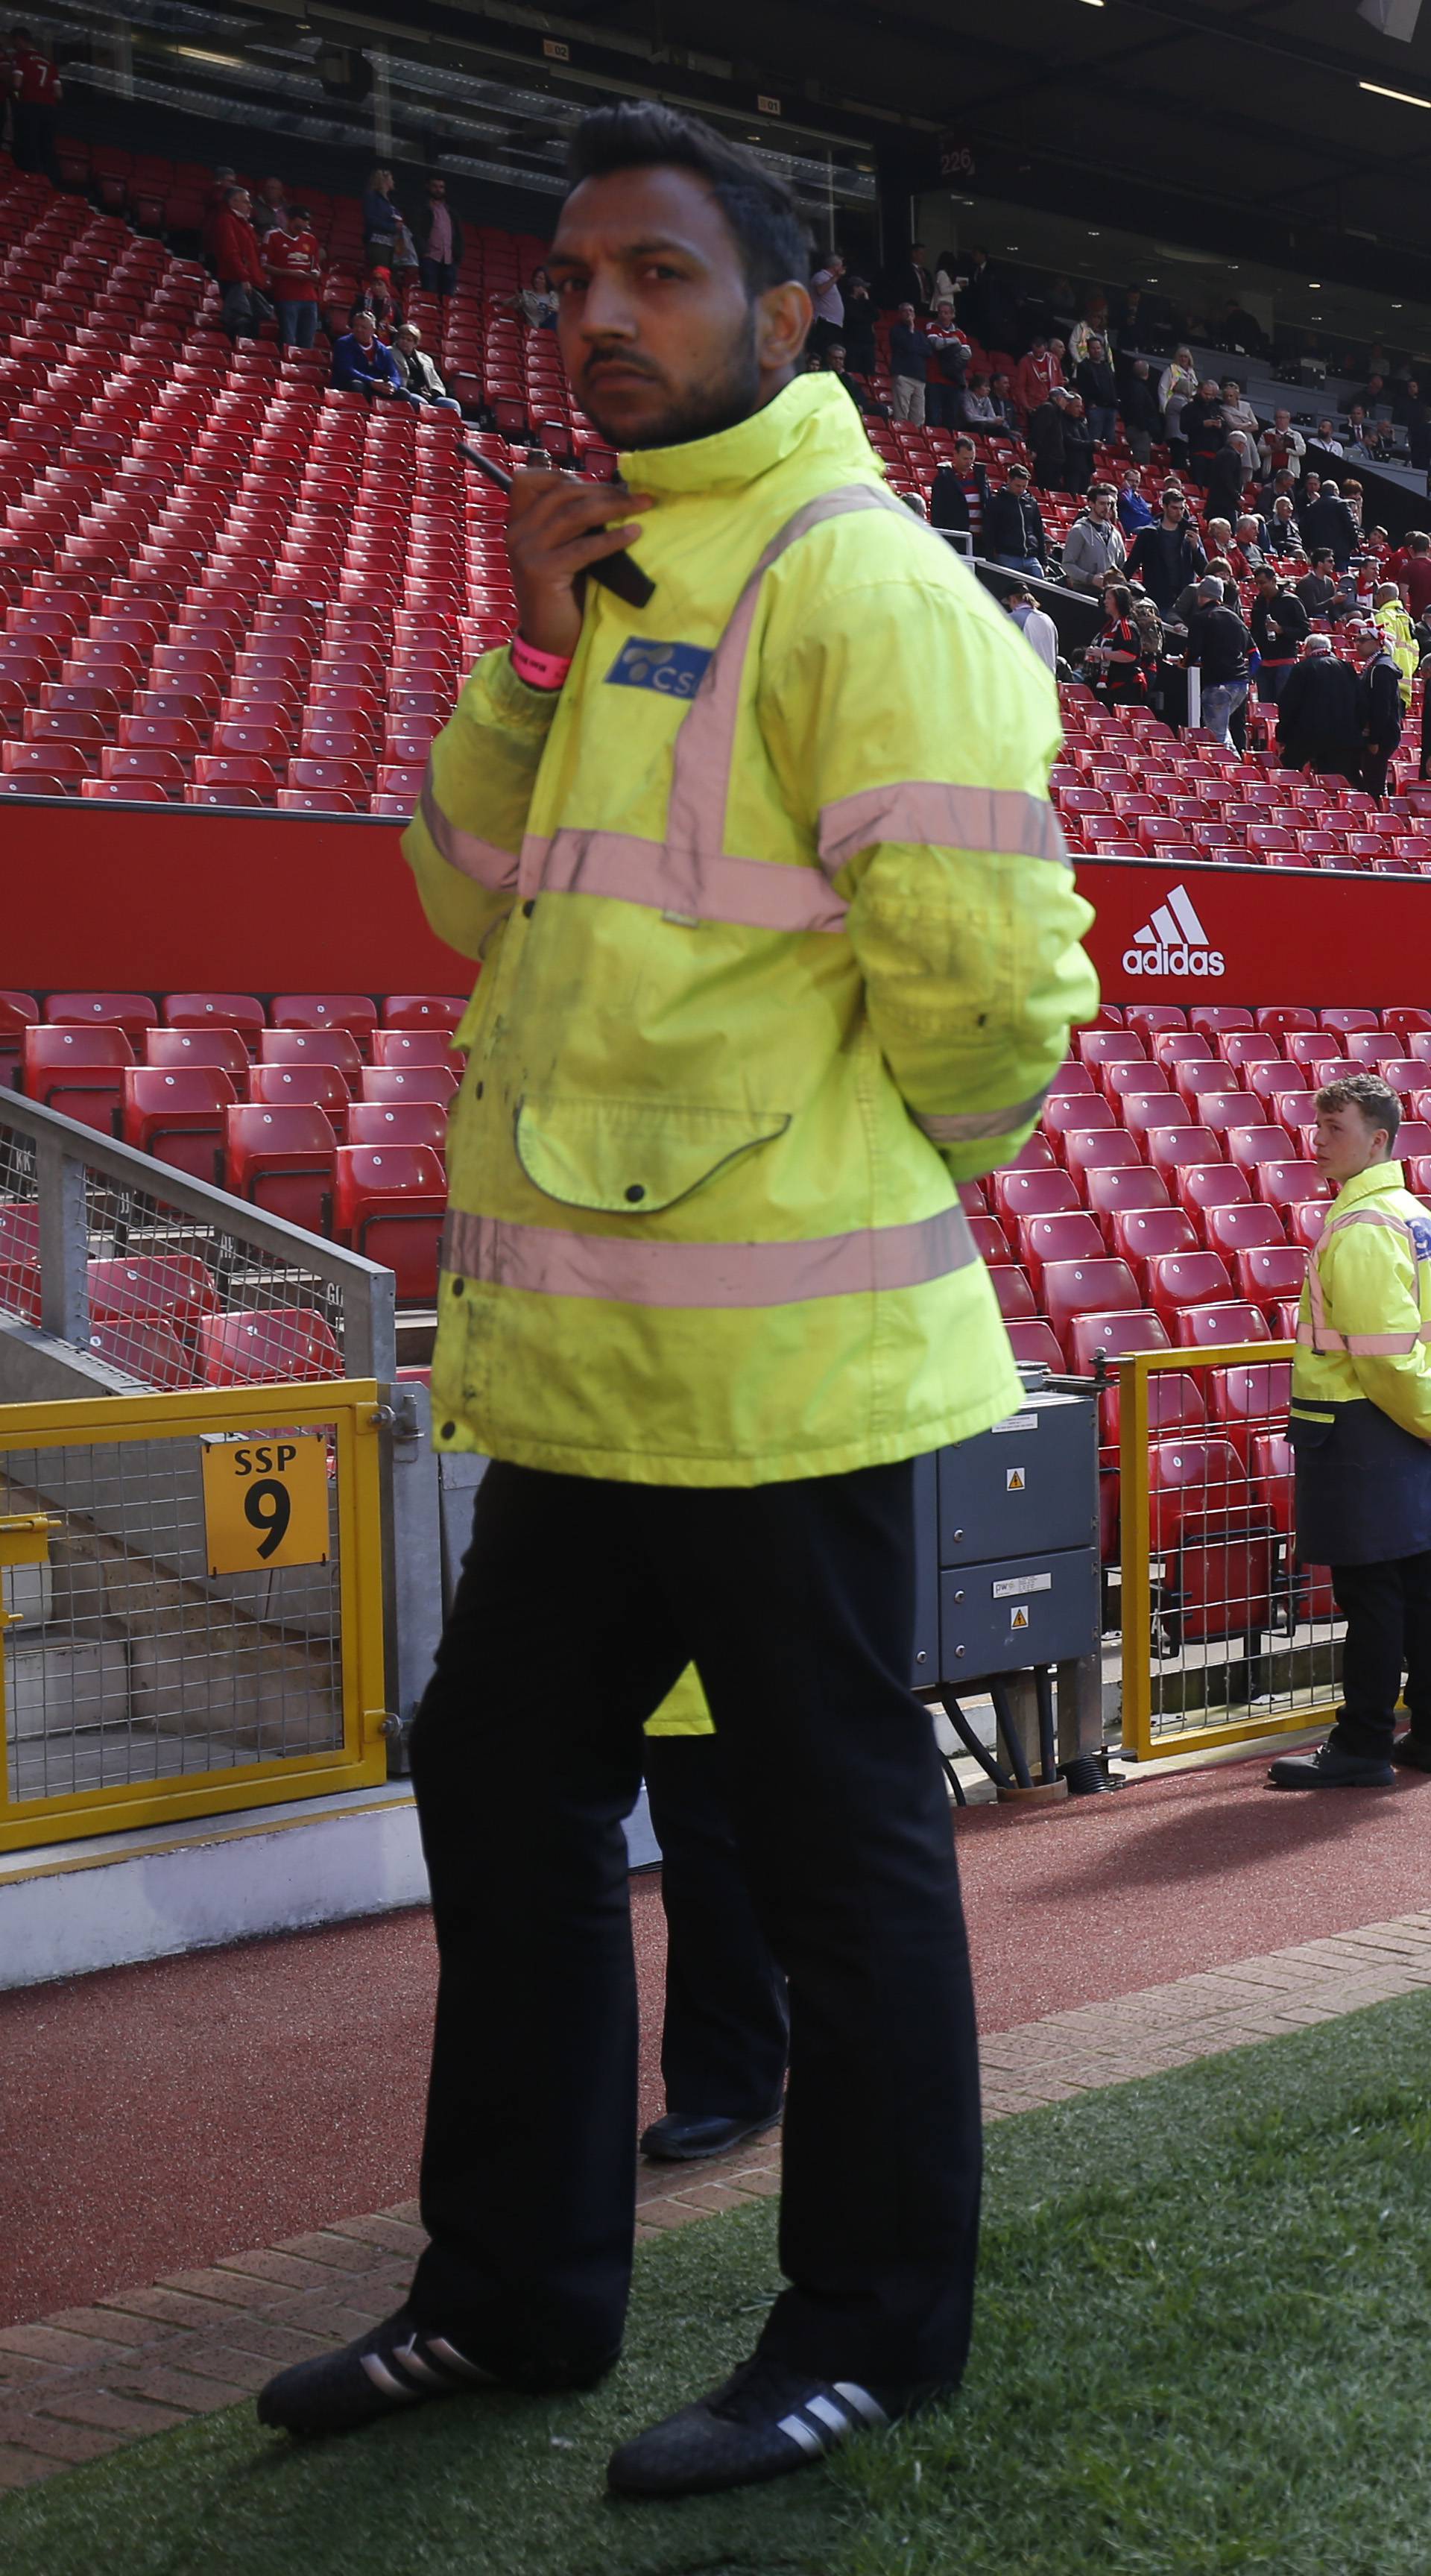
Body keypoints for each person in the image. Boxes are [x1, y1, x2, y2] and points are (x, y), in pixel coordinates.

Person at [253, 96, 1097, 2498]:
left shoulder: (860, 585)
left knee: (838, 1858)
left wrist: (883, 1160)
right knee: (503, 1777)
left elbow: (1002, 997)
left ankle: (866, 2333)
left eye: (658, 276)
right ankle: (514, 2297)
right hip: (592, 1384)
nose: (601, 320)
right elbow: (460, 896)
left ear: (789, 317)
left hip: (787, 1380)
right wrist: (525, 655)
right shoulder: (613, 575)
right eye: (572, 286)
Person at [1270, 1075, 1431, 1791]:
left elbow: (1386, 1361)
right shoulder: (1409, 1212)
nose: (1319, 1141)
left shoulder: (1363, 1229)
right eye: (1317, 1126)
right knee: (1419, 1591)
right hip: (1398, 1434)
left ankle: (1362, 1744)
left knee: (1372, 1598)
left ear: (1379, 1140)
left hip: (1367, 1435)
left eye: (1335, 1129)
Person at [641, 1673, 787, 2163]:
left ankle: (735, 2086)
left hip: (713, 1677)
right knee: (702, 1884)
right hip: (659, 1679)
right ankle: (731, 2081)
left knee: (716, 1885)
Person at [1276, 632, 1364, 779]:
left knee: (1289, 772)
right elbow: (1360, 702)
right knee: (1334, 780)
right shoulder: (1347, 668)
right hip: (1343, 736)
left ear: (1308, 648)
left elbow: (1289, 704)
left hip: (1307, 734)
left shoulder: (1302, 668)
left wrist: (1282, 735)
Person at [1182, 572, 1251, 746]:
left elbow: (1193, 651)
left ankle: (1234, 768)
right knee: (1222, 729)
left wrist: (1183, 663)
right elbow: (1253, 652)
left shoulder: (1201, 618)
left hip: (1218, 684)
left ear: (1201, 594)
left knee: (1218, 737)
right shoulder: (1236, 618)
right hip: (1241, 685)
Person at [1126, 487, 1207, 615]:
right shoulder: (1149, 534)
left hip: (1183, 602)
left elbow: (1203, 571)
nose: (1179, 512)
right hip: (1157, 598)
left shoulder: (1190, 534)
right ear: (1164, 507)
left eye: (1181, 508)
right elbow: (1132, 564)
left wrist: (1196, 549)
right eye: (1174, 508)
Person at [209, 185, 268, 343]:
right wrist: (243, 277)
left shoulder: (244, 224)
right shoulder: (227, 220)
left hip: (248, 281)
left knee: (250, 326)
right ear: (233, 202)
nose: (250, 206)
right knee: (239, 323)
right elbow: (231, 252)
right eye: (245, 202)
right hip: (236, 281)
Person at [1356, 619, 1403, 800]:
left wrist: (1374, 739)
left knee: (1373, 784)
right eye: (1356, 640)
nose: (1357, 644)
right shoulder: (1375, 666)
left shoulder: (1380, 669)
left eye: (1363, 640)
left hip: (1380, 737)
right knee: (1374, 780)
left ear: (1377, 643)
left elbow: (1381, 707)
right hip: (1381, 735)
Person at [1248, 564, 1309, 704]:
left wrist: (1282, 630)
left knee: (1285, 705)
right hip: (1263, 663)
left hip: (1285, 662)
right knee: (1265, 707)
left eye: (1263, 583)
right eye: (1257, 583)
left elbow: (1305, 632)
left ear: (1273, 580)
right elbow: (1254, 630)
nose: (1260, 587)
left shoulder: (1291, 601)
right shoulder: (1259, 603)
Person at [265, 203, 320, 350]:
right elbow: (264, 266)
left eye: (304, 228)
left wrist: (314, 274)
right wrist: (290, 273)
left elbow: (316, 267)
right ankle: (287, 369)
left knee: (307, 343)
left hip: (309, 298)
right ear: (289, 221)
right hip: (286, 296)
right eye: (297, 227)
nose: (300, 231)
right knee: (288, 340)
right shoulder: (273, 236)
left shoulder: (311, 240)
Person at [1087, 580, 1151, 705]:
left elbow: (1129, 655)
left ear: (1118, 601)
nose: (1105, 602)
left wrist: (1102, 654)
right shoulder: (1110, 625)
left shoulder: (1126, 626)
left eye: (1109, 598)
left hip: (1123, 687)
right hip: (1107, 685)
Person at [9, 25, 60, 174]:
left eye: (14, 42)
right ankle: (49, 181)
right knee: (46, 145)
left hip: (29, 105)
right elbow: (59, 93)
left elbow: (17, 84)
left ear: (19, 39)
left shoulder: (21, 58)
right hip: (50, 109)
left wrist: (15, 94)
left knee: (27, 143)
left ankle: (28, 178)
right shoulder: (50, 63)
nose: (13, 46)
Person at [1061, 482, 1127, 594]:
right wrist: (1090, 578)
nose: (1106, 508)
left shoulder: (1115, 533)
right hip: (1083, 592)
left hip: (1109, 595)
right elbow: (1067, 564)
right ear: (1091, 504)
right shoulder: (1079, 531)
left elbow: (1122, 564)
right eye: (1102, 504)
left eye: (1109, 504)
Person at [984, 461, 1046, 574]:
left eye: (1024, 486)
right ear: (1009, 480)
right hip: (1007, 557)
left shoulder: (1031, 501)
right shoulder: (997, 501)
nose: (1021, 490)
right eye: (1018, 486)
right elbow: (989, 531)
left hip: (1031, 557)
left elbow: (1039, 531)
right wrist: (990, 558)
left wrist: (1044, 560)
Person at [929, 433, 990, 547]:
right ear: (955, 454)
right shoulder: (944, 479)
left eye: (972, 458)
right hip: (956, 540)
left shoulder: (981, 477)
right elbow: (937, 512)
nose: (969, 462)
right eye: (965, 458)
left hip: (980, 541)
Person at [331, 308, 405, 399]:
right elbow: (346, 370)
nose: (359, 330)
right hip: (354, 383)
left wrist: (393, 385)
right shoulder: (343, 344)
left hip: (377, 386)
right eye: (356, 326)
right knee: (356, 386)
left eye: (363, 327)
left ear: (373, 330)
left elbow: (393, 373)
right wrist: (371, 382)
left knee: (403, 393)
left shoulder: (382, 349)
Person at [391, 323, 462, 414]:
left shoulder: (425, 359)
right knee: (422, 403)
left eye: (409, 340)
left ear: (415, 344)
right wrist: (418, 391)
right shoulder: (389, 353)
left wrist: (433, 393)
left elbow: (436, 382)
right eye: (402, 338)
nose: (405, 342)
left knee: (453, 405)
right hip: (407, 392)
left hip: (429, 395)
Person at [415, 176, 464, 298]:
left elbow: (458, 235)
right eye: (435, 186)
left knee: (448, 297)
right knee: (429, 295)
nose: (438, 190)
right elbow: (417, 231)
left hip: (449, 260)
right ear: (428, 187)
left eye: (441, 187)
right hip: (430, 258)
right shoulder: (422, 208)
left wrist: (457, 255)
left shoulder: (451, 212)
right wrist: (423, 251)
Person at [1374, 581, 1418, 710]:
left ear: (1381, 595)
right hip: (1405, 684)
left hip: (1389, 682)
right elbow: (1416, 650)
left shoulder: (1383, 617)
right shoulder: (1407, 618)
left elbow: (1386, 646)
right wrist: (1408, 670)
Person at [824, 341, 889, 423]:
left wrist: (861, 406)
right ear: (829, 358)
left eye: (841, 359)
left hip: (853, 407)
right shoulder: (823, 375)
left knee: (881, 409)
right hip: (838, 407)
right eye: (835, 358)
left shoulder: (848, 378)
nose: (838, 361)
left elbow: (860, 396)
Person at [1302, 479, 1359, 569]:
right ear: (1335, 491)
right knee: (1340, 579)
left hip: (1318, 554)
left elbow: (1304, 529)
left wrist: (1309, 548)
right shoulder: (1342, 504)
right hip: (1340, 553)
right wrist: (1352, 546)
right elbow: (1351, 527)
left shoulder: (1312, 507)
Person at [1003, 581, 1059, 674]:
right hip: (1048, 682)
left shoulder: (1012, 618)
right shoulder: (1048, 619)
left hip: (1026, 681)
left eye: (1009, 603)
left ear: (1013, 599)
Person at [888, 303, 928, 424]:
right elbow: (908, 346)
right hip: (903, 375)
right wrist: (910, 330)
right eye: (906, 311)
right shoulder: (896, 331)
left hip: (919, 378)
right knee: (901, 413)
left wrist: (913, 347)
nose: (909, 313)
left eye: (911, 311)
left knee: (919, 416)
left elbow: (928, 351)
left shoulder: (920, 334)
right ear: (900, 314)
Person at [1075, 335, 1118, 445]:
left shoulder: (1107, 366)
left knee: (1110, 441)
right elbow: (1081, 387)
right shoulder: (1084, 366)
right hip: (1096, 408)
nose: (1096, 351)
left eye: (1098, 348)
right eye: (1093, 348)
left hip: (1110, 407)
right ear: (1089, 350)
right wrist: (1089, 403)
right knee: (1094, 439)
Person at [1026, 387, 1070, 490]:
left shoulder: (1056, 411)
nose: (1067, 403)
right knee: (1046, 488)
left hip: (1054, 458)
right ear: (1058, 398)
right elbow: (1038, 431)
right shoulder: (1048, 408)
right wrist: (1034, 449)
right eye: (1066, 399)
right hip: (1047, 459)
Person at [1014, 333, 1061, 426]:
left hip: (1053, 403)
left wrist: (1059, 401)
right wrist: (1027, 406)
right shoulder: (1025, 362)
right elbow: (1020, 387)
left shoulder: (1054, 359)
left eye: (1041, 353)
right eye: (1036, 353)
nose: (1039, 355)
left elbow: (1059, 382)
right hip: (1035, 405)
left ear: (1046, 348)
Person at [1120, 359, 1160, 465]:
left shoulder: (1130, 386)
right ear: (1147, 372)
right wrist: (1144, 427)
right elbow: (1138, 409)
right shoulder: (1139, 389)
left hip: (1132, 427)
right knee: (1142, 463)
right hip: (1139, 431)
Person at [363, 165, 401, 270]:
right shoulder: (372, 197)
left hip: (393, 245)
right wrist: (393, 227)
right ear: (385, 180)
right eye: (392, 179)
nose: (393, 181)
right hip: (378, 244)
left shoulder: (391, 201)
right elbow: (371, 220)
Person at [807, 251, 844, 358]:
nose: (842, 268)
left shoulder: (830, 279)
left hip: (833, 325)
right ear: (835, 267)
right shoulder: (821, 276)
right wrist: (836, 277)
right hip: (825, 323)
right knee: (824, 353)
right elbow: (820, 290)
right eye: (841, 265)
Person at [1059, 391, 1094, 499]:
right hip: (1071, 467)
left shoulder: (1081, 423)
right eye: (1077, 406)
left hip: (1085, 467)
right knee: (1072, 496)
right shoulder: (1062, 421)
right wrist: (1091, 445)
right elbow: (1068, 441)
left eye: (1081, 406)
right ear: (1068, 406)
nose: (1080, 409)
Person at [840, 274, 877, 375]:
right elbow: (854, 318)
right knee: (854, 372)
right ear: (855, 287)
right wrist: (867, 318)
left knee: (869, 372)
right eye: (862, 287)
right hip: (853, 343)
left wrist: (867, 301)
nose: (865, 290)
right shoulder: (846, 302)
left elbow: (876, 316)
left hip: (868, 343)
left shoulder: (865, 302)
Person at [1258, 408, 1305, 485]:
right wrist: (1273, 448)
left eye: (1282, 418)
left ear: (1288, 419)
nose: (1279, 420)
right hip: (1271, 472)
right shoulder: (1267, 433)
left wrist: (1285, 449)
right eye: (1277, 418)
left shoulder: (1296, 435)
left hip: (1289, 472)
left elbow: (1302, 450)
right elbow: (1260, 450)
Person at [1295, 547, 1339, 619]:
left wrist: (1339, 618)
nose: (1333, 564)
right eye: (1330, 561)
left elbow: (1333, 608)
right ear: (1320, 564)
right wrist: (1333, 601)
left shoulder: (1329, 582)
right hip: (1312, 620)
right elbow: (1311, 609)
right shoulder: (1306, 582)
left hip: (1326, 618)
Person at [514, 265, 559, 329]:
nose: (537, 280)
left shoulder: (555, 296)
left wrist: (558, 311)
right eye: (536, 277)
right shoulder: (526, 294)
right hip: (536, 328)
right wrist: (516, 299)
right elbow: (506, 305)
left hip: (553, 327)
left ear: (547, 281)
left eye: (541, 279)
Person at [250, 175, 289, 242]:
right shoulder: (253, 205)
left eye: (273, 188)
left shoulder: (288, 209)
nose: (270, 190)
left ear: (281, 191)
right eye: (267, 187)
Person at [1264, 492, 1303, 558]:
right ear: (1278, 509)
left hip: (1299, 549)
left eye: (1290, 505)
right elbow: (1274, 543)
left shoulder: (1294, 525)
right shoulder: (1271, 526)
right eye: (1286, 506)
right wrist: (1291, 546)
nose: (1289, 508)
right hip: (1284, 553)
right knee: (1299, 553)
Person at [1118, 464, 1154, 537]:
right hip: (1135, 530)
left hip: (1149, 526)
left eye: (1137, 481)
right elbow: (1125, 501)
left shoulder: (1139, 497)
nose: (1134, 484)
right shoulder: (1122, 495)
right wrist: (1127, 489)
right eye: (1131, 481)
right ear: (1125, 481)